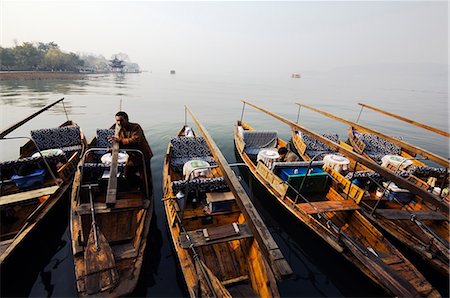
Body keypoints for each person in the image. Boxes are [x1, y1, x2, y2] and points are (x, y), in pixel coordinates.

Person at [109, 111, 153, 194]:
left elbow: (135, 140)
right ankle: (139, 186)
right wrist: (113, 149)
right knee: (127, 174)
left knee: (146, 177)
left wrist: (120, 140)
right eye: (117, 121)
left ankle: (148, 193)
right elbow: (121, 144)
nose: (119, 123)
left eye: (121, 120)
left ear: (126, 119)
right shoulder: (120, 131)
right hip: (132, 157)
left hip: (143, 156)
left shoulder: (136, 127)